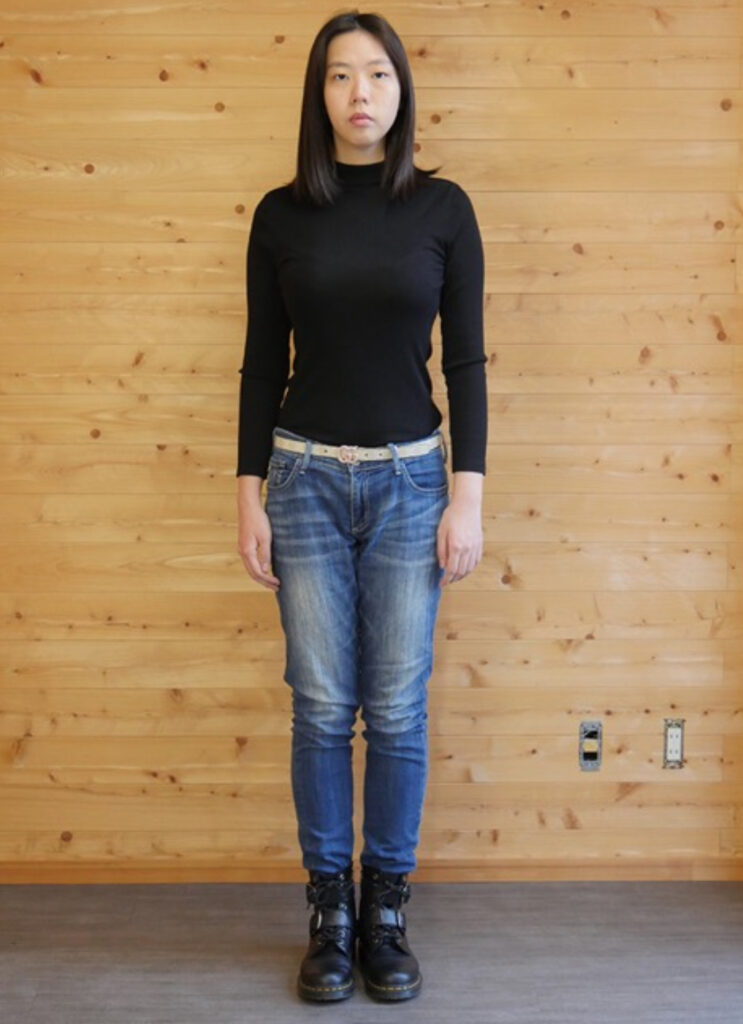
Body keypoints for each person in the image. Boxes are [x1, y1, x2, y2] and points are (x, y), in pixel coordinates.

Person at [236, 9, 487, 1004]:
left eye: (376, 74)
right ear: (319, 95)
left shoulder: (443, 210)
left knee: (395, 708)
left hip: (411, 485)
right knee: (318, 704)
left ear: (399, 90)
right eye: (340, 76)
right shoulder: (280, 216)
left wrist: (466, 498)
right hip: (300, 482)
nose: (359, 93)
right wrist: (247, 497)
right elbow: (262, 364)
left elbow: (464, 363)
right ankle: (328, 915)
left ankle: (384, 911)